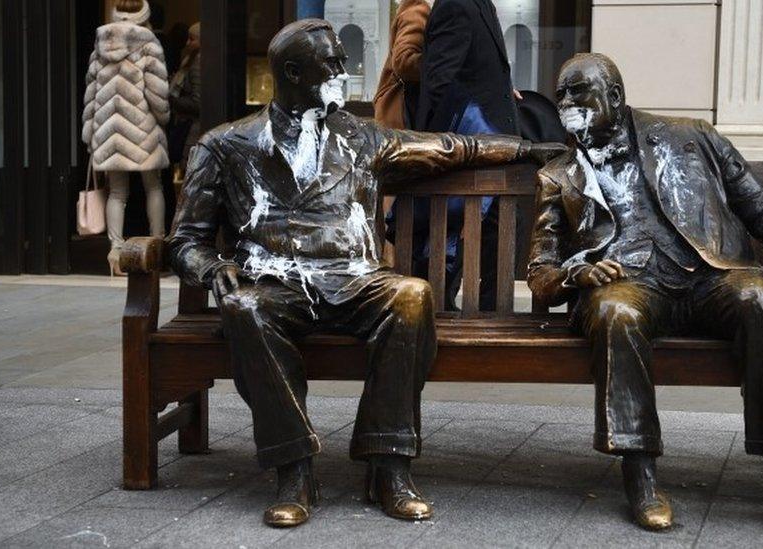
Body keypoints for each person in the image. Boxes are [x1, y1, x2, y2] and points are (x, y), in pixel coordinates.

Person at [168, 18, 565, 528]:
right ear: (292, 71)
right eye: (331, 63)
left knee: (411, 295)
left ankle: (387, 464)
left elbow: (450, 147)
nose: (343, 71)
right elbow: (185, 240)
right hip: (275, 284)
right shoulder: (226, 145)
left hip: (355, 280)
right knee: (244, 305)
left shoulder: (361, 137)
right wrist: (210, 266)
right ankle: (294, 469)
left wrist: (527, 149)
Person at [528, 53, 763, 540]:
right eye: (561, 94)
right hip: (628, 286)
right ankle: (641, 478)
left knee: (759, 297)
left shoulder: (691, 136)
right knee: (616, 309)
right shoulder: (559, 175)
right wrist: (579, 274)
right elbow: (541, 272)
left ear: (615, 97)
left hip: (708, 279)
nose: (567, 102)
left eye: (578, 91)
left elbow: (761, 211)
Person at [406, 0, 521, 310]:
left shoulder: (479, 4)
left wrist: (500, 88)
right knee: (451, 241)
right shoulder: (456, 5)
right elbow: (439, 84)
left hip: (493, 152)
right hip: (471, 155)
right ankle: (438, 315)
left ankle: (489, 321)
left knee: (491, 238)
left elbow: (472, 70)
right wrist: (473, 134)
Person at [82, 0, 170, 275]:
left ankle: (115, 252)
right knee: (153, 187)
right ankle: (157, 244)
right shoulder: (149, 43)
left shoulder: (101, 43)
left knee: (118, 193)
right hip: (141, 129)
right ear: (144, 15)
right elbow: (157, 93)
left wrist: (90, 132)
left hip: (108, 131)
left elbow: (91, 93)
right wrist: (163, 117)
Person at [373, 0, 433, 130]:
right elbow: (403, 62)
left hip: (396, 112)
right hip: (401, 113)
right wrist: (441, 64)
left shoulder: (415, 9)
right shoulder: (417, 11)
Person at [169, 22, 201, 176]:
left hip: (192, 129)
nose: (187, 43)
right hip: (187, 126)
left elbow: (197, 103)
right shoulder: (190, 59)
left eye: (192, 39)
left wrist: (170, 99)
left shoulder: (197, 63)